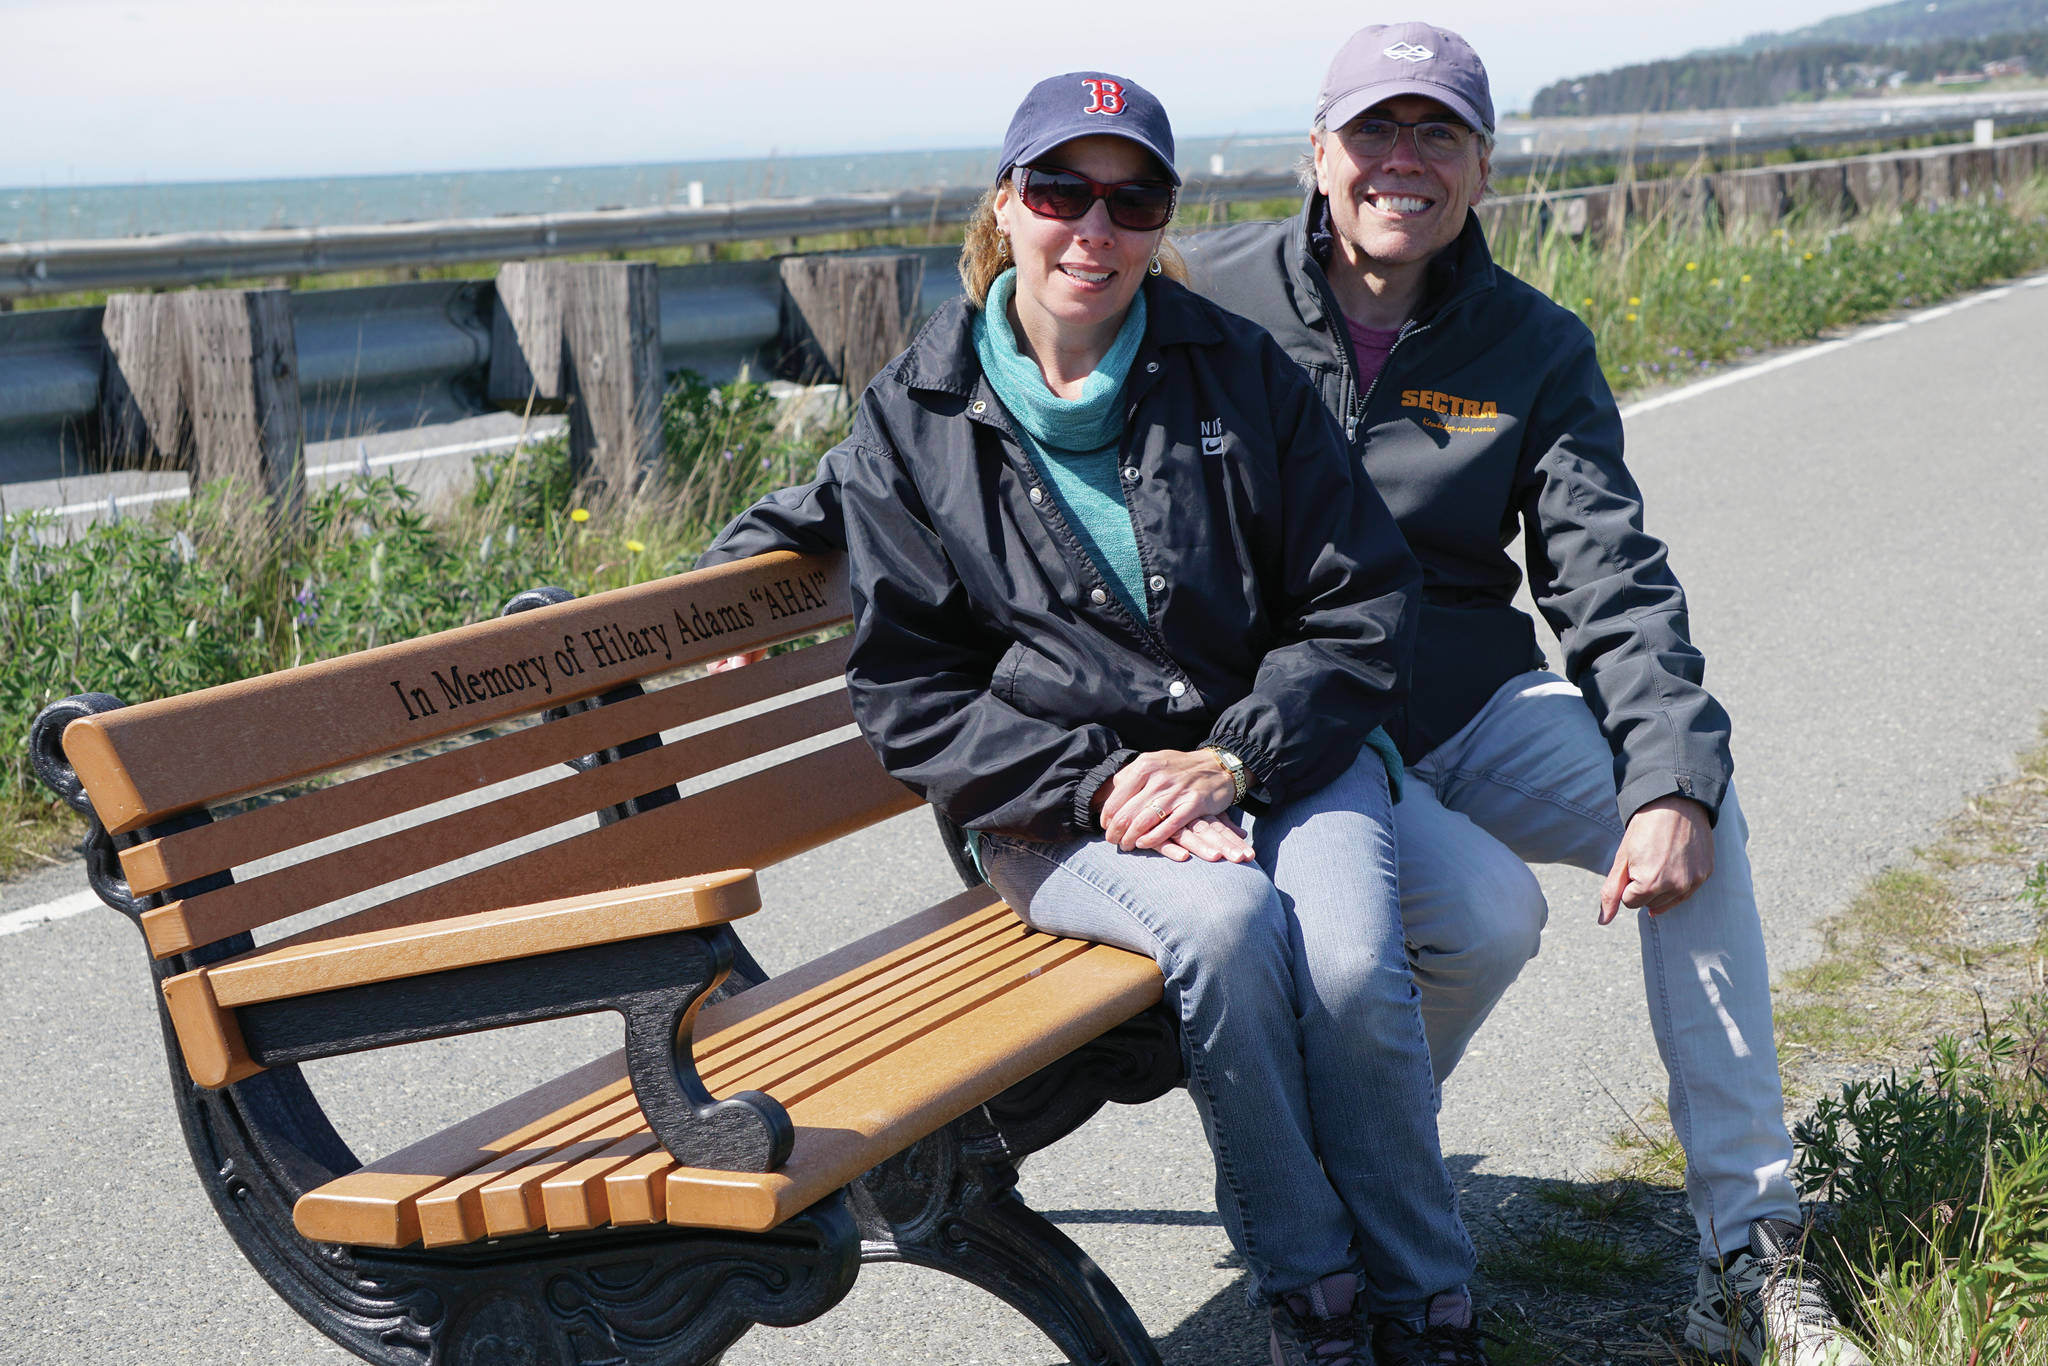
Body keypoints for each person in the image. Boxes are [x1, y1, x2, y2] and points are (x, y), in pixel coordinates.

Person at [709, 69, 1495, 1366]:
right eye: (1063, 189)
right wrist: (1101, 789)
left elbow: (1360, 602)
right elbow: (911, 694)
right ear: (1006, 207)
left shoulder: (1233, 368)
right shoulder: (922, 413)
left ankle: (1426, 1298)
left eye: (1134, 199)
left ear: (1163, 218)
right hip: (1049, 807)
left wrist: (1228, 761)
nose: (1096, 226)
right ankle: (1316, 1292)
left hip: (1282, 761)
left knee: (1355, 967)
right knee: (1230, 924)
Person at [1170, 24, 1867, 1366]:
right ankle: (1345, 1184)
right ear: (1316, 153)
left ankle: (1747, 1252)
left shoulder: (1532, 344)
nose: (1403, 161)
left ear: (1483, 165)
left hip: (1462, 704)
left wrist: (1668, 773)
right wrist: (778, 553)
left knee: (1691, 826)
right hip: (1284, 733)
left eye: (1439, 134)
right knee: (1477, 925)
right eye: (1375, 130)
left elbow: (1611, 576)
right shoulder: (1210, 299)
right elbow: (1005, 397)